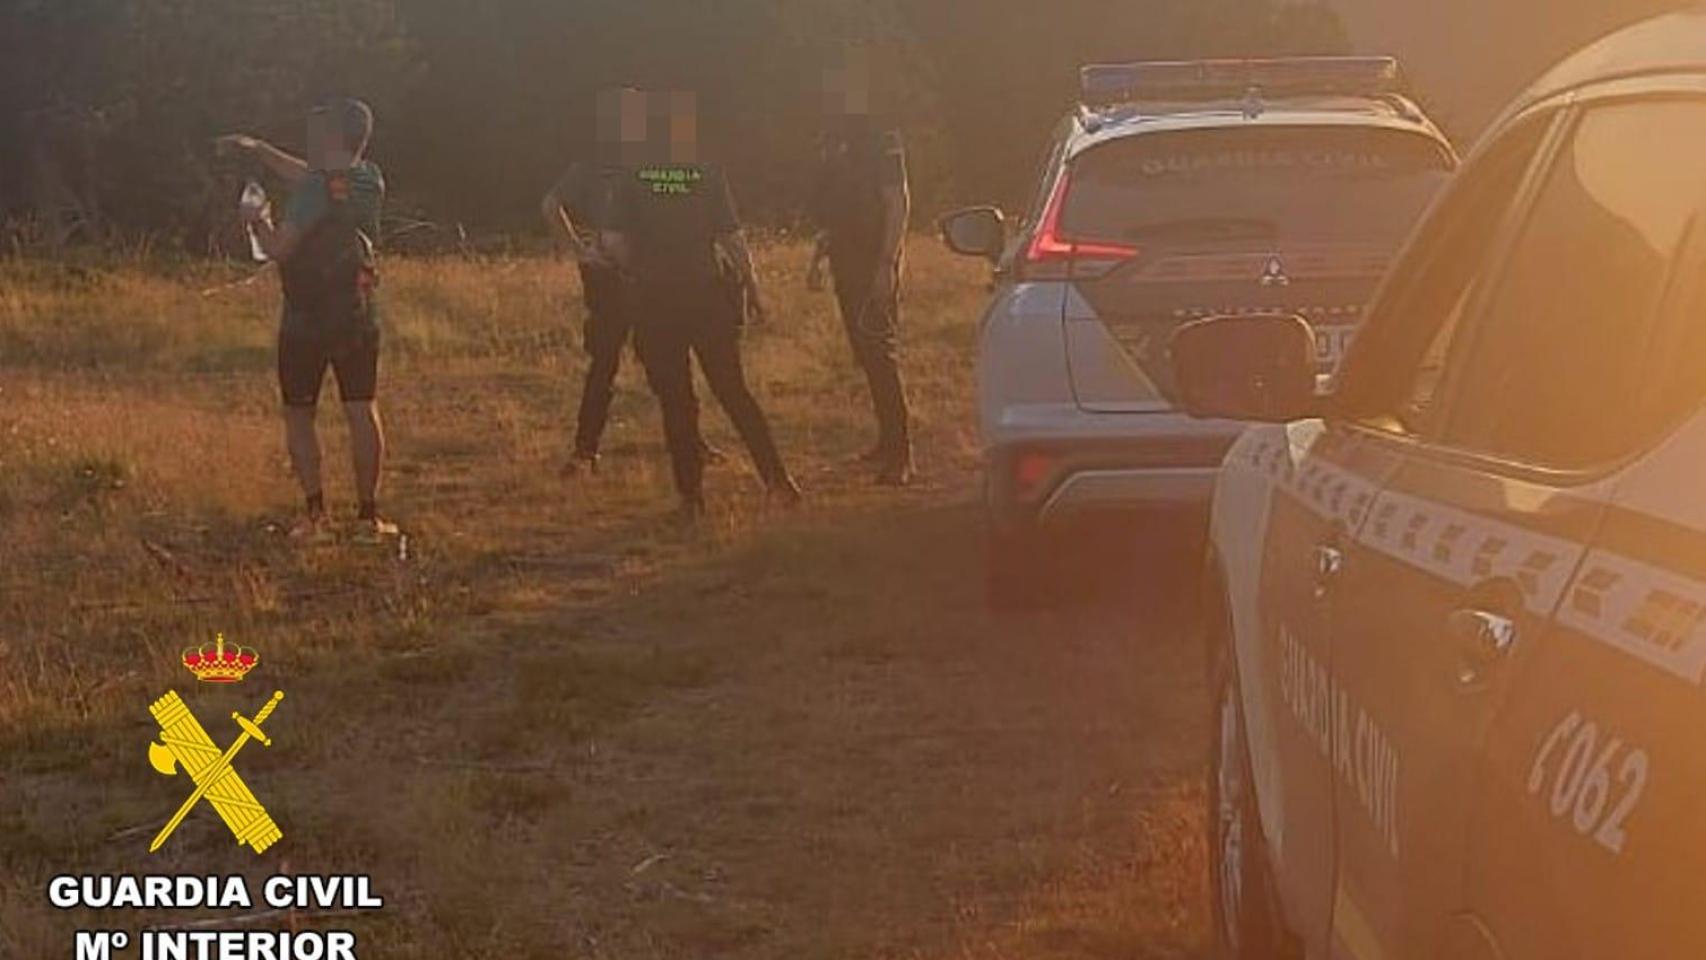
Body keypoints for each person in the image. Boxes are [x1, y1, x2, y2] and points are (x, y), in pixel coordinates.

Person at [605, 89, 801, 519]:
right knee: (734, 391)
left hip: (657, 301)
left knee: (678, 401)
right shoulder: (708, 175)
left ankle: (691, 498)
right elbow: (732, 238)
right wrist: (752, 286)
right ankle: (778, 479)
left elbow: (614, 242)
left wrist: (635, 264)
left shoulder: (632, 178)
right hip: (707, 296)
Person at [217, 97, 397, 540]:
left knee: (299, 415)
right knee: (361, 408)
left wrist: (256, 221)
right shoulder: (368, 179)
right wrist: (260, 149)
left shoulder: (311, 192)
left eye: (318, 131)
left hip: (304, 321)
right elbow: (310, 175)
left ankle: (316, 518)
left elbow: (279, 250)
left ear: (334, 136)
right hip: (358, 314)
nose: (309, 138)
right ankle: (368, 518)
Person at [541, 87, 721, 474]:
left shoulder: (647, 166)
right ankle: (585, 450)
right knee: (610, 363)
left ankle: (691, 442)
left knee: (667, 363)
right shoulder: (593, 167)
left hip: (648, 276)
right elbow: (550, 204)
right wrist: (577, 249)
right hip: (612, 277)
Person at [807, 47, 915, 485]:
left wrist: (888, 263)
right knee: (866, 355)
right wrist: (817, 259)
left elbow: (897, 201)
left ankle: (903, 454)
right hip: (844, 258)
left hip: (873, 258)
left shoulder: (881, 139)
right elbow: (832, 208)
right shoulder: (834, 142)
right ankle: (887, 443)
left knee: (879, 352)